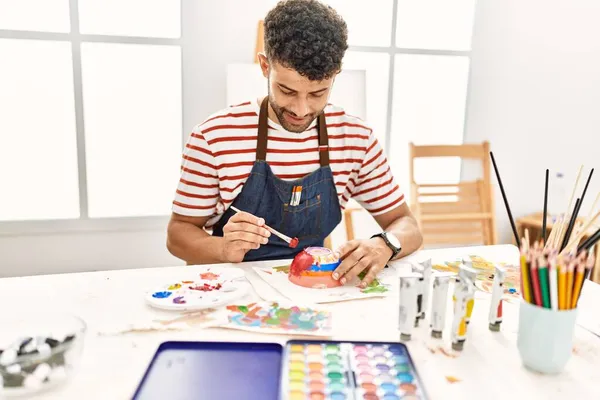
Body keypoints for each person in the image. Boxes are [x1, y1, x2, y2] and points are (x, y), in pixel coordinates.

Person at [167, 0, 423, 288]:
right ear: (266, 66)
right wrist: (223, 249)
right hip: (232, 293)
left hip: (314, 291)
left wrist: (384, 244)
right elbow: (178, 234)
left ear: (335, 74)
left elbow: (408, 225)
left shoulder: (355, 138)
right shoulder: (214, 136)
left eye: (317, 93)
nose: (301, 110)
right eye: (287, 90)